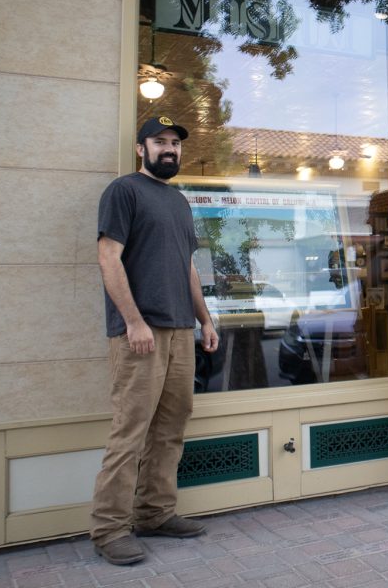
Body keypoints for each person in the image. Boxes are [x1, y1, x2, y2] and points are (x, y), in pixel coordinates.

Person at [89, 117, 220, 565]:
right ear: (140, 148)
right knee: (130, 431)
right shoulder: (123, 191)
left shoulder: (180, 202)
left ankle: (156, 513)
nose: (169, 149)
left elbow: (187, 268)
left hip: (181, 330)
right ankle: (109, 529)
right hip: (139, 333)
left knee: (170, 428)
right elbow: (108, 257)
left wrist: (204, 319)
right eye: (160, 142)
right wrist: (133, 321)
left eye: (175, 144)